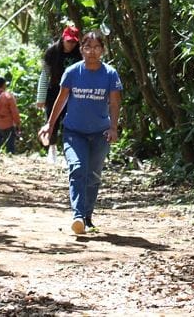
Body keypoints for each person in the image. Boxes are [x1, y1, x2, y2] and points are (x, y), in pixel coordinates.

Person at [39, 30, 122, 234]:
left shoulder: (110, 74)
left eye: (96, 47)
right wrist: (50, 124)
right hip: (74, 132)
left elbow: (114, 103)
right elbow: (61, 99)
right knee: (77, 169)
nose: (92, 51)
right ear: (81, 49)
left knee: (93, 175)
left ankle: (87, 216)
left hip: (100, 133)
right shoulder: (72, 72)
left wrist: (113, 127)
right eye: (87, 47)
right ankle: (78, 216)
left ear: (102, 50)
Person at [36, 25, 82, 158]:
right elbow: (45, 75)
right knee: (52, 120)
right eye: (69, 41)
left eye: (74, 42)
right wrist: (41, 98)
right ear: (63, 39)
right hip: (54, 91)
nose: (71, 44)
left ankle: (69, 150)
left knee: (69, 122)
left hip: (73, 93)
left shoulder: (80, 53)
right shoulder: (52, 52)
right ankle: (52, 148)